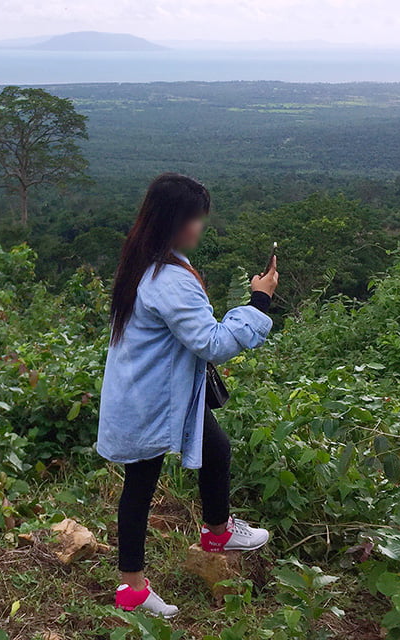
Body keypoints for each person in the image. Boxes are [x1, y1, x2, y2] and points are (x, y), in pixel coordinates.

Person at [97, 173, 278, 617]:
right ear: (175, 221)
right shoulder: (168, 278)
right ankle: (133, 591)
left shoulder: (146, 259)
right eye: (195, 219)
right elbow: (212, 343)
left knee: (216, 449)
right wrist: (258, 303)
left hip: (160, 390)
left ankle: (217, 531)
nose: (200, 227)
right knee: (140, 487)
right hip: (153, 399)